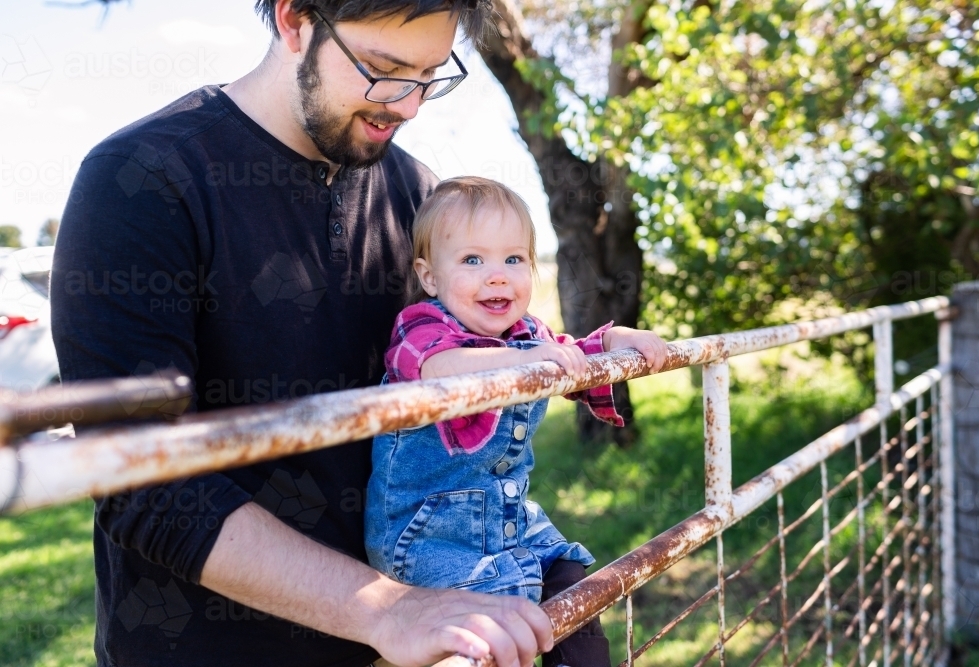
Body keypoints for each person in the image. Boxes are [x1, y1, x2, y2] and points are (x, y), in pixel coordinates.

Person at [50, 2, 558, 666]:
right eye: (382, 70)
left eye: (431, 75)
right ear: (294, 21)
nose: (408, 107)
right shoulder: (143, 180)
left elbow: (480, 357)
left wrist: (592, 351)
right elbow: (141, 483)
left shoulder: (415, 193)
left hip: (402, 647)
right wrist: (386, 607)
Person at [365, 177, 670, 667]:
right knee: (502, 632)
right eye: (472, 260)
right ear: (430, 276)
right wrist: (526, 362)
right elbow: (437, 368)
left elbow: (567, 358)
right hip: (429, 538)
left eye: (514, 259)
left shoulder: (529, 333)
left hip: (506, 521)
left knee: (573, 578)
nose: (497, 276)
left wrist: (613, 343)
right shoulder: (422, 327)